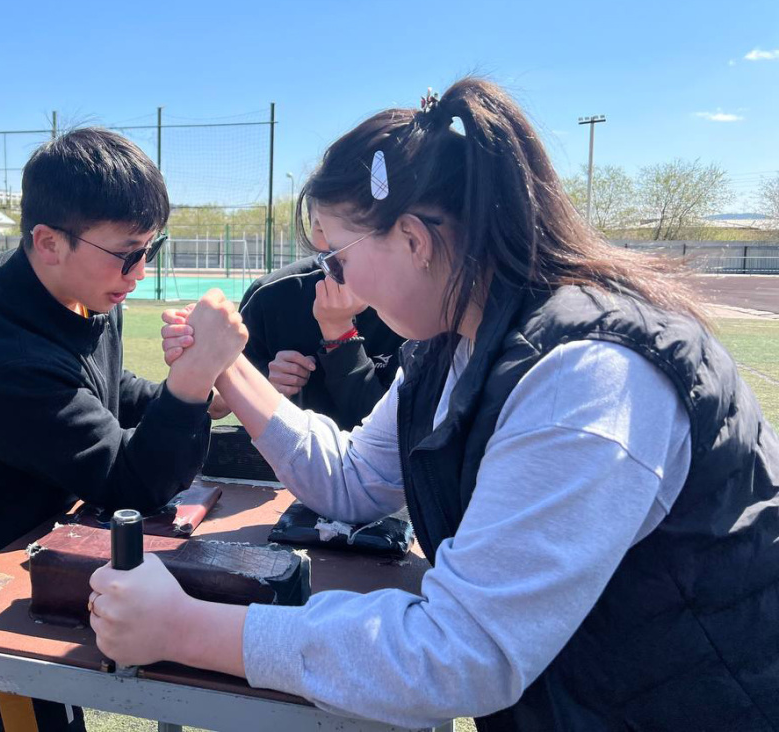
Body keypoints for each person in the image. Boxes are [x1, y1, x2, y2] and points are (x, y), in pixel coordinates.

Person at [85, 79, 779, 731]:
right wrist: (226, 366)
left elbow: (464, 651)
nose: (333, 279)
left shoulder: (586, 378)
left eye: (338, 259)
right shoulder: (452, 345)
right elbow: (353, 479)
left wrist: (185, 628)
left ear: (414, 240)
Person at [0, 127, 241, 732]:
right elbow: (131, 483)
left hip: (46, 563)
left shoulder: (80, 290)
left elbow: (102, 390)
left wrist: (193, 397)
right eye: (127, 253)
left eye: (151, 249)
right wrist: (192, 381)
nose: (140, 271)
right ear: (48, 242)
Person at [239, 214, 404, 429]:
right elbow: (221, 400)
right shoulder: (269, 294)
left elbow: (395, 434)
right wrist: (265, 380)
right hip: (284, 458)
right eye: (324, 225)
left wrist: (339, 334)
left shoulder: (413, 301)